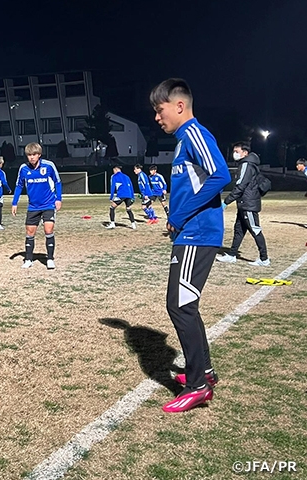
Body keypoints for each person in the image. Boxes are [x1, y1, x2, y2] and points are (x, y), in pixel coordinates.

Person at [150, 78, 231, 413]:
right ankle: (205, 373)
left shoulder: (195, 133)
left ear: (179, 106)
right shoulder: (183, 141)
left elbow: (221, 175)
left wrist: (180, 214)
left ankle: (197, 386)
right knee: (186, 305)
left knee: (180, 306)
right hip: (189, 233)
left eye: (160, 109)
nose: (157, 117)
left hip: (198, 234)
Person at [217, 142, 269, 266]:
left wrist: (226, 202)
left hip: (248, 204)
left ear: (245, 153)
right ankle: (232, 254)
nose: (235, 154)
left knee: (255, 229)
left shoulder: (246, 164)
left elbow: (240, 186)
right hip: (244, 203)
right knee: (239, 230)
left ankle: (264, 259)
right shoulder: (247, 164)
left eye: (237, 151)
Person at [11, 142, 62, 269]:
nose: (31, 157)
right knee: (30, 233)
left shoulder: (48, 166)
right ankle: (28, 259)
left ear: (39, 155)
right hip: (33, 206)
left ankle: (50, 259)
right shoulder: (24, 168)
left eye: (34, 154)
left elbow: (58, 182)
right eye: (29, 155)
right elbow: (19, 186)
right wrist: (14, 202)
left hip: (48, 204)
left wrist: (58, 199)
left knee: (48, 230)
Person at [106, 165, 136, 230]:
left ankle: (112, 223)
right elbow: (131, 187)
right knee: (128, 209)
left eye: (113, 170)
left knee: (112, 207)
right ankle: (133, 225)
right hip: (129, 195)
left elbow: (113, 187)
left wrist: (111, 197)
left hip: (121, 195)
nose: (113, 172)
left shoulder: (114, 176)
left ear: (116, 169)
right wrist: (133, 197)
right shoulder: (127, 176)